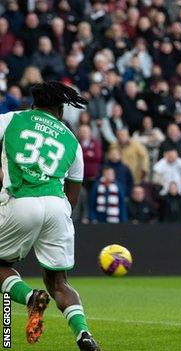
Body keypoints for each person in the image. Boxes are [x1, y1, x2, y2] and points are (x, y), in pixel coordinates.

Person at [0, 81, 99, 349]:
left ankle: (30, 296)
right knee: (59, 283)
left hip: (21, 200)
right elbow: (74, 197)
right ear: (60, 109)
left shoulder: (11, 119)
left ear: (34, 104)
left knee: (1, 264)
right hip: (57, 206)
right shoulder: (72, 140)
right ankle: (83, 334)